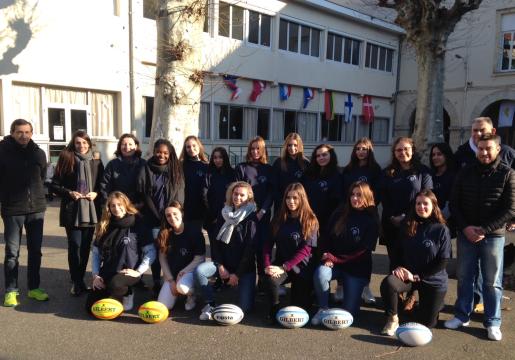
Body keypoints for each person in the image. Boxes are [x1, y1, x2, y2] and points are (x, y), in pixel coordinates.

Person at [445, 134, 515, 341]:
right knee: (465, 277)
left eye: (488, 148)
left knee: (492, 281)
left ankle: (493, 321)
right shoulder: (465, 172)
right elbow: (454, 203)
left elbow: (510, 208)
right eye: (480, 148)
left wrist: (484, 229)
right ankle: (461, 315)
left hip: (493, 236)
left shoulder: (507, 173)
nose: (483, 152)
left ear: (498, 149)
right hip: (466, 234)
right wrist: (466, 228)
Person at [380, 190, 451, 335]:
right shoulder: (407, 226)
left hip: (432, 280)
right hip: (409, 277)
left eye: (426, 203)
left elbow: (442, 261)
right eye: (418, 203)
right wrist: (398, 267)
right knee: (388, 283)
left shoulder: (441, 229)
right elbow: (396, 253)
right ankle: (393, 319)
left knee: (427, 324)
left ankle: (427, 305)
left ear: (433, 206)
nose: (421, 207)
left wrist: (418, 276)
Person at [312, 181, 379, 324]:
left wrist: (335, 259)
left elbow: (361, 252)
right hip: (335, 264)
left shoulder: (371, 221)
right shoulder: (339, 213)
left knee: (349, 315)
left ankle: (355, 291)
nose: (355, 198)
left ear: (367, 197)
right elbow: (325, 238)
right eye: (353, 195)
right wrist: (326, 255)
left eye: (359, 195)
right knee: (321, 273)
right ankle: (322, 307)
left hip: (356, 269)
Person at [0, 119, 48, 307]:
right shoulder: (2, 151)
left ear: (31, 133)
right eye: (19, 132)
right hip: (12, 210)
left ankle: (34, 288)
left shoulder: (38, 153)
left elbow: (42, 177)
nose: (24, 135)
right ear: (12, 133)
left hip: (36, 209)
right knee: (12, 253)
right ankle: (11, 290)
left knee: (35, 251)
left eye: (27, 132)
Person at [51, 130, 104, 296]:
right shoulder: (66, 159)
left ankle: (80, 279)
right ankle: (76, 281)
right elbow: (54, 185)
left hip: (91, 211)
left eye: (84, 142)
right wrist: (69, 193)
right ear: (73, 144)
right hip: (72, 211)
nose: (81, 146)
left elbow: (103, 185)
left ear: (89, 143)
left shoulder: (96, 161)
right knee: (75, 246)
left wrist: (96, 194)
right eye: (78, 143)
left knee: (85, 248)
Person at [194, 181, 257, 320]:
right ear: (231, 194)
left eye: (242, 195)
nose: (238, 197)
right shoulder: (224, 213)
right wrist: (220, 266)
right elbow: (215, 243)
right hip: (225, 264)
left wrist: (237, 275)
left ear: (249, 197)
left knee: (246, 308)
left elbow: (250, 250)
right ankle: (210, 303)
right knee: (200, 271)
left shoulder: (251, 218)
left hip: (245, 269)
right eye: (235, 194)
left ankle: (246, 287)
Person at [86, 191, 156, 312]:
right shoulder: (104, 225)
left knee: (115, 285)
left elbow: (151, 252)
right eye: (113, 205)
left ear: (126, 205)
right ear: (109, 208)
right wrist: (96, 276)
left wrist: (138, 272)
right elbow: (96, 254)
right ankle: (110, 293)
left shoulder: (138, 223)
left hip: (129, 272)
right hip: (108, 271)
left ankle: (128, 293)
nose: (116, 208)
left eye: (119, 204)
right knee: (91, 307)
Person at [263, 183, 319, 321]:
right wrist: (268, 265)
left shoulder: (310, 220)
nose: (291, 201)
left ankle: (310, 293)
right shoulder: (278, 218)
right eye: (288, 198)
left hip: (302, 268)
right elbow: (267, 245)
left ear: (302, 199)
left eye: (295, 198)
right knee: (269, 280)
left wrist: (284, 267)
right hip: (283, 265)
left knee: (299, 312)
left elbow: (305, 250)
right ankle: (274, 310)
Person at [137, 139, 185, 297]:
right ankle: (157, 280)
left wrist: (174, 213)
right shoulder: (146, 168)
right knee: (158, 250)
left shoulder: (176, 168)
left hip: (171, 218)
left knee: (171, 251)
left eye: (165, 152)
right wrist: (158, 215)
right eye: (159, 152)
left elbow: (180, 192)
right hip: (153, 218)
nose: (161, 155)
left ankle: (171, 279)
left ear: (170, 153)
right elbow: (145, 194)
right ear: (154, 151)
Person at [341, 138, 382, 304]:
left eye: (364, 149)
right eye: (358, 149)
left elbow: (378, 193)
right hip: (349, 213)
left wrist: (367, 207)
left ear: (369, 151)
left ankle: (365, 287)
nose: (361, 152)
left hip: (368, 213)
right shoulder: (349, 169)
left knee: (365, 254)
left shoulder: (375, 169)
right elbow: (343, 190)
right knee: (343, 247)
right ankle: (341, 286)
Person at [235, 136, 275, 287]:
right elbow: (236, 191)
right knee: (246, 248)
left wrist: (263, 211)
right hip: (245, 216)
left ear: (263, 150)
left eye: (258, 148)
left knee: (262, 249)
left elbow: (271, 193)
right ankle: (245, 280)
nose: (255, 151)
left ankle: (263, 283)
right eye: (252, 148)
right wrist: (248, 211)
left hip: (263, 217)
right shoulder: (241, 168)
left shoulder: (269, 169)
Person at [156, 201, 205, 310]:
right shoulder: (165, 233)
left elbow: (200, 258)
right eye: (168, 215)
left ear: (181, 213)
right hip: (173, 275)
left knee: (182, 287)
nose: (172, 217)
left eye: (175, 214)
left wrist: (182, 272)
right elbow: (162, 258)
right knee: (163, 306)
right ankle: (177, 291)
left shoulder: (194, 232)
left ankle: (192, 295)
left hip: (190, 272)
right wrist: (170, 279)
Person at [302, 144, 343, 233]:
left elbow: (338, 200)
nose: (321, 158)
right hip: (309, 218)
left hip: (328, 221)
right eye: (318, 156)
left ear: (331, 155)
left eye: (324, 155)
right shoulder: (309, 174)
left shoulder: (338, 175)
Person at [100, 133, 146, 206]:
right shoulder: (112, 165)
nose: (127, 147)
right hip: (117, 207)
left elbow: (148, 187)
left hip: (138, 207)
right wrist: (110, 203)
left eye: (130, 144)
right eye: (124, 144)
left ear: (136, 146)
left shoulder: (143, 164)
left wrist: (141, 204)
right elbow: (105, 186)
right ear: (120, 147)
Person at [202, 147, 236, 244]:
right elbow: (204, 195)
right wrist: (211, 213)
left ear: (225, 158)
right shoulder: (208, 174)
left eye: (220, 157)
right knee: (214, 247)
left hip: (228, 217)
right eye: (215, 158)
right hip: (212, 217)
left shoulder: (232, 174)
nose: (217, 160)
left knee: (227, 247)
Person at [272, 133, 309, 212]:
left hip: (299, 205)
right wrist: (282, 202)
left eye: (295, 145)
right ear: (286, 146)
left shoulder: (306, 163)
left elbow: (308, 187)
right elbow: (274, 186)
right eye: (289, 145)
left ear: (299, 146)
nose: (292, 148)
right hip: (281, 205)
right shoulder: (278, 162)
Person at [180, 136, 209, 224]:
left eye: (194, 146)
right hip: (184, 208)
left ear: (199, 146)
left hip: (201, 209)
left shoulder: (206, 166)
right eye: (188, 147)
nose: (191, 149)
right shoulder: (180, 165)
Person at [429, 143, 456, 220]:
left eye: (439, 154)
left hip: (446, 220)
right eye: (433, 155)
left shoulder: (453, 177)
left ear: (446, 155)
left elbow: (451, 202)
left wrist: (440, 219)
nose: (435, 157)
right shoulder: (429, 176)